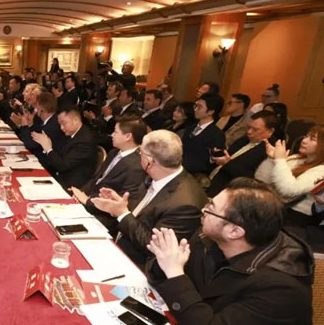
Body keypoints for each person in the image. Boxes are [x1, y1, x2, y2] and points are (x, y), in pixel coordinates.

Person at [146, 178, 313, 325]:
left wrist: (174, 272)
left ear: (234, 231)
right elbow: (164, 278)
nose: (203, 210)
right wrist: (166, 259)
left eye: (211, 208)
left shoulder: (281, 290)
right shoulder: (210, 236)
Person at [91, 129, 207, 267]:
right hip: (119, 246)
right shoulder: (157, 176)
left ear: (149, 161)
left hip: (139, 266)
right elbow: (138, 213)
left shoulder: (185, 205)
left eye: (140, 152)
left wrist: (122, 213)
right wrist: (117, 204)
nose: (138, 155)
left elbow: (153, 247)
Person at [71, 117, 148, 233]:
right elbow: (97, 179)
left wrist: (88, 201)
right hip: (90, 200)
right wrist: (81, 193)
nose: (112, 135)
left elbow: (123, 201)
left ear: (128, 136)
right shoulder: (114, 152)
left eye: (116, 132)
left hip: (104, 216)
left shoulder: (136, 166)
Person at [255, 125, 324, 228]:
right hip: (273, 207)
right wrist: (272, 159)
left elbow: (289, 190)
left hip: (295, 219)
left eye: (312, 139)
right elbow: (262, 179)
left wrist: (279, 160)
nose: (304, 141)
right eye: (306, 136)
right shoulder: (296, 158)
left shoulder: (321, 170)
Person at [208, 110, 277, 197]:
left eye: (255, 129)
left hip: (231, 191)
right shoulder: (245, 139)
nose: (249, 131)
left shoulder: (271, 151)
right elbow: (228, 154)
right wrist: (217, 154)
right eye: (249, 127)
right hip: (212, 179)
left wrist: (227, 164)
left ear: (270, 131)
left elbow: (253, 180)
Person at [31, 107, 98, 189]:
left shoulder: (85, 140)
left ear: (75, 120)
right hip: (61, 176)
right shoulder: (71, 134)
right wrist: (47, 147)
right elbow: (58, 156)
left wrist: (48, 148)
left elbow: (63, 166)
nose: (61, 127)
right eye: (60, 124)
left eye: (64, 123)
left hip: (72, 184)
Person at [181, 94, 226, 177]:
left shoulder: (216, 134)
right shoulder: (191, 127)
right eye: (195, 106)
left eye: (199, 107)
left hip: (195, 175)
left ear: (211, 111)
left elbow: (214, 161)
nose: (195, 109)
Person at [19, 92, 65, 163]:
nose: (35, 109)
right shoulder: (48, 120)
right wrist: (31, 125)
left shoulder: (52, 125)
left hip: (47, 162)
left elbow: (31, 145)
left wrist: (24, 126)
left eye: (37, 107)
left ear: (41, 110)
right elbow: (34, 136)